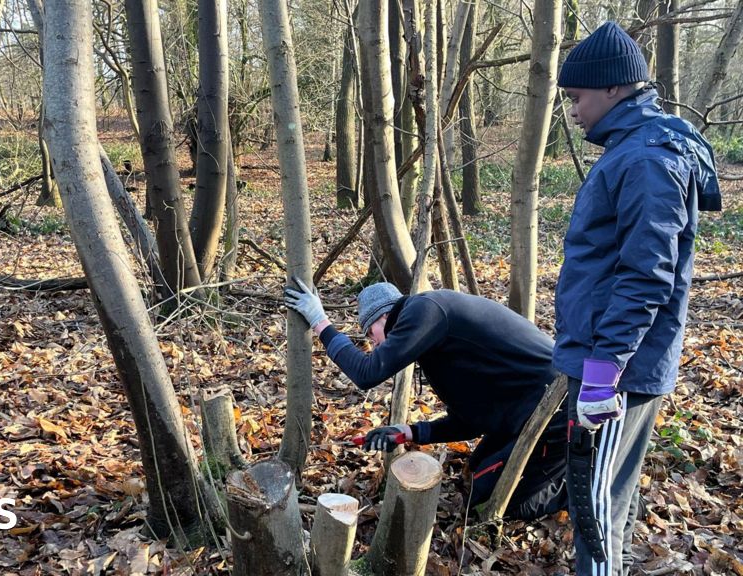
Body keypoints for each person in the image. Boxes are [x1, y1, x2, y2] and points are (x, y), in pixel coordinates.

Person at [554, 22, 720, 575]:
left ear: (613, 88)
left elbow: (647, 274)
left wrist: (604, 369)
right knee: (603, 501)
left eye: (577, 97)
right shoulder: (635, 150)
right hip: (610, 356)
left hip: (617, 367)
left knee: (596, 510)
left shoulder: (648, 159)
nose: (573, 111)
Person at [285, 280, 567, 521]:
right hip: (523, 411)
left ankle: (582, 485)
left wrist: (320, 323)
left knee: (491, 499)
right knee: (474, 473)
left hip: (557, 408)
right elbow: (470, 421)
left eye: (371, 333)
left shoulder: (425, 311)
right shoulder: (434, 339)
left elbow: (367, 373)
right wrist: (408, 433)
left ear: (384, 316)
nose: (375, 345)